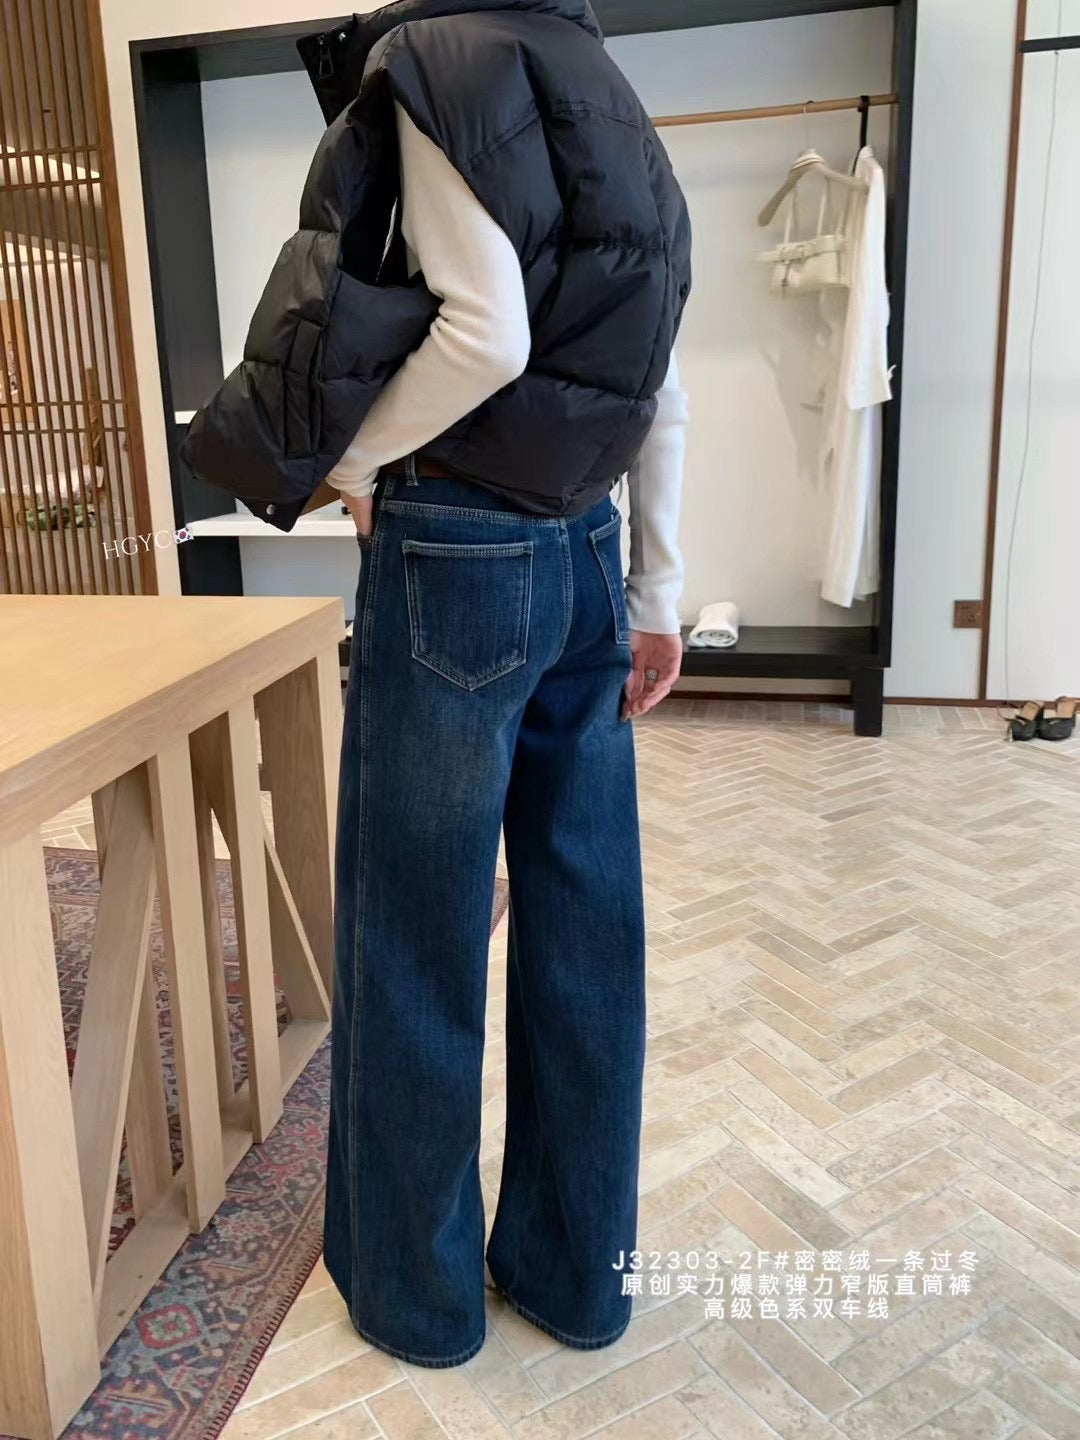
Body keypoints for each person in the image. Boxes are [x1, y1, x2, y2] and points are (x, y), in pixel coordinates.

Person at [185, 0, 691, 1370]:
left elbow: (488, 334)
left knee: (414, 930)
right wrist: (657, 591)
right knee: (588, 928)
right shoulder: (596, 73)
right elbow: (655, 367)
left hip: (459, 546)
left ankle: (418, 1298)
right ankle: (578, 1278)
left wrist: (356, 467)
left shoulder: (433, 61)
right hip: (587, 548)